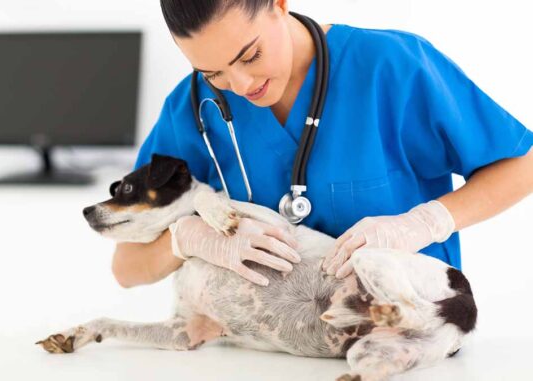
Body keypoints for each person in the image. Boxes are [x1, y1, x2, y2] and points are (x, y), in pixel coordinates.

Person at [111, 0, 533, 288]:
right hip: (264, 351)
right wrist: (187, 238)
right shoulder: (193, 109)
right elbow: (127, 267)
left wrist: (425, 222)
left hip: (402, 334)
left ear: (279, 4)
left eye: (250, 56)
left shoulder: (388, 66)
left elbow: (522, 163)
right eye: (213, 72)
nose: (240, 85)